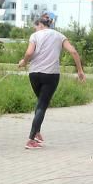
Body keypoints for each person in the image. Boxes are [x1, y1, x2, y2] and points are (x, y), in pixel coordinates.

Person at [17, 15, 85, 150]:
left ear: (40, 25)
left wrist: (24, 62)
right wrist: (80, 71)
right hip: (51, 75)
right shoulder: (59, 36)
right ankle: (30, 140)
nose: (35, 29)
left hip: (34, 74)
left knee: (40, 102)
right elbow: (73, 51)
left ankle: (36, 133)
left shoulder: (34, 36)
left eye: (36, 27)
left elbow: (29, 52)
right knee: (42, 105)